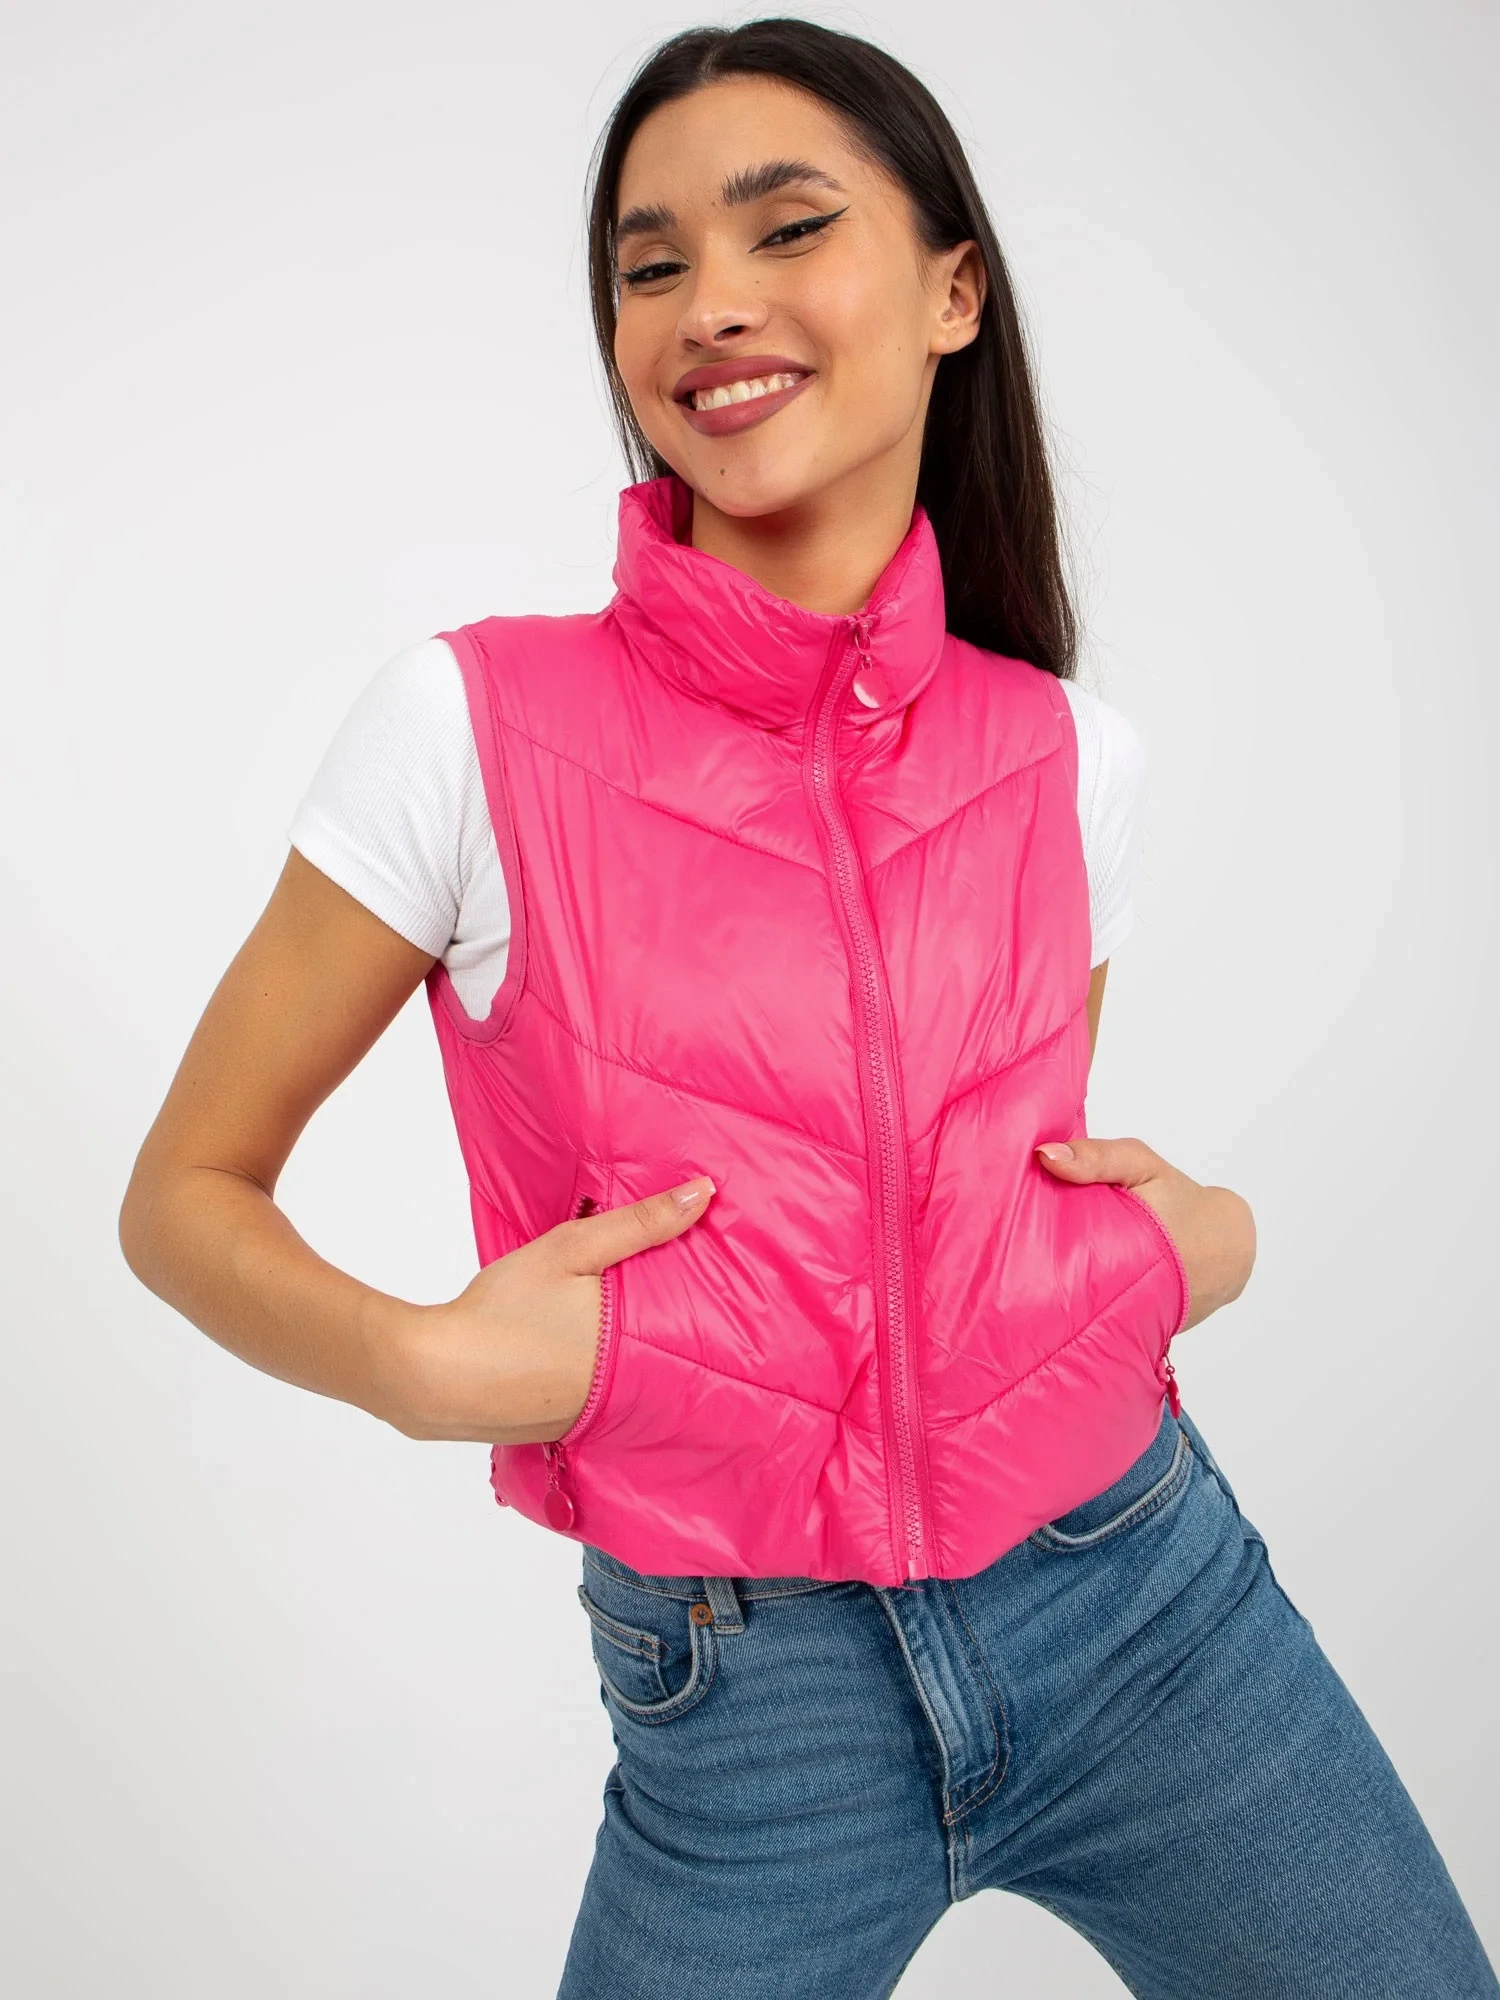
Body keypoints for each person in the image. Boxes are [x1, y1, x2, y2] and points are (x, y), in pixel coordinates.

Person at [119, 18, 1497, 1998]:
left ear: (954, 292)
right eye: (651, 262)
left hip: (1147, 1603)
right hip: (749, 1709)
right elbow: (182, 1194)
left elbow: (976, 1209)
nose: (711, 305)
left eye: (788, 229)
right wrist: (418, 1363)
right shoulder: (468, 727)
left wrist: (1203, 1242)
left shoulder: (1065, 755)